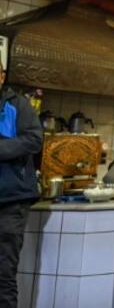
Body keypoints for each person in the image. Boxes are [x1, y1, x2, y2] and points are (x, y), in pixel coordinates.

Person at [0, 60, 43, 308]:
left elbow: (34, 139)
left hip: (10, 201)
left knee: (3, 274)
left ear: (2, 77)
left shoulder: (18, 106)